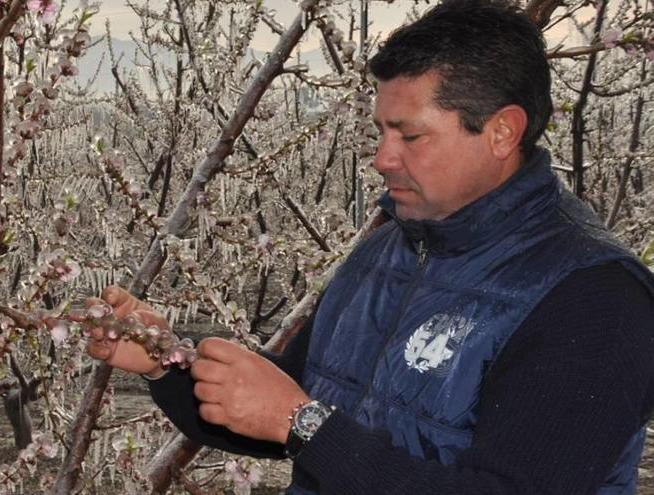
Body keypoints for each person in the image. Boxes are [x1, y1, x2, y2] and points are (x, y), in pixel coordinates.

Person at [85, 0, 654, 493]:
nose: (383, 158)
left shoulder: (593, 299)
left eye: (410, 135)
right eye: (381, 131)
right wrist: (165, 360)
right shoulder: (391, 251)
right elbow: (291, 402)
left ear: (502, 131)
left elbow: (305, 422)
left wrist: (301, 423)